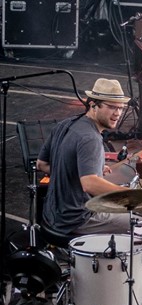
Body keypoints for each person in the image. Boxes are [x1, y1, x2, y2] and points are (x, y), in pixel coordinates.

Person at [36, 79, 134, 237]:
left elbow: (41, 164)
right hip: (78, 220)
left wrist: (78, 169)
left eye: (120, 108)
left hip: (53, 215)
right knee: (141, 223)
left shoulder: (65, 124)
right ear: (93, 105)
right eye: (111, 107)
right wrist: (131, 196)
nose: (117, 113)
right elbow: (90, 184)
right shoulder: (90, 138)